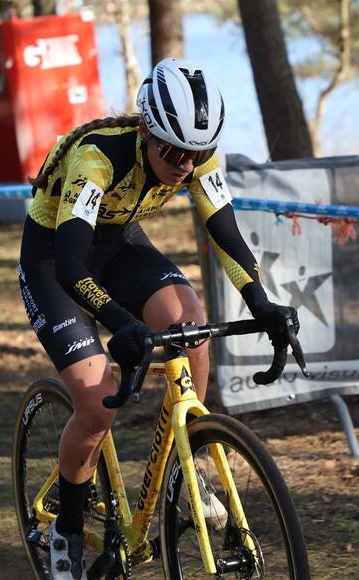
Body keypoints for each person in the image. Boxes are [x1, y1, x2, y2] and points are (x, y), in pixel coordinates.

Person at [18, 57, 297, 579]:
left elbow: (226, 234)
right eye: (173, 151)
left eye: (197, 153)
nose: (185, 165)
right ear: (146, 131)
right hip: (56, 260)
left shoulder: (194, 155)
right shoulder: (97, 158)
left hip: (120, 244)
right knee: (97, 405)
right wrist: (121, 320)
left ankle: (189, 465)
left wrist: (261, 303)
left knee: (190, 326)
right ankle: (66, 530)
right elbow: (73, 265)